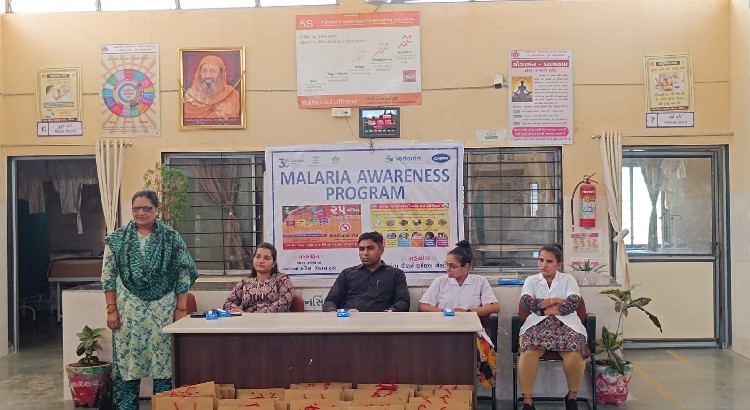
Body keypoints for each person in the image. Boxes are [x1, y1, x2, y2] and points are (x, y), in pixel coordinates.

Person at [102, 190, 198, 410]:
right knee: (127, 364)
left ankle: (162, 406)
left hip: (162, 313)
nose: (141, 213)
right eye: (136, 208)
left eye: (147, 208)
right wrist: (111, 309)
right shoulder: (117, 239)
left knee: (163, 365)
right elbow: (108, 276)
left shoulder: (171, 237)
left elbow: (183, 272)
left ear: (157, 209)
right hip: (129, 314)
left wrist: (181, 309)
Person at [517, 243, 588, 410]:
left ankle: (571, 398)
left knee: (575, 353)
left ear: (558, 264)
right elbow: (527, 303)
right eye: (541, 260)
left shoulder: (568, 279)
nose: (543, 265)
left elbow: (573, 303)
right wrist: (554, 300)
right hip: (537, 325)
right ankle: (528, 402)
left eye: (549, 261)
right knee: (528, 352)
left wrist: (544, 309)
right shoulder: (531, 280)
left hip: (566, 324)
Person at [322, 231, 410, 312]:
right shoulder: (347, 274)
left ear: (381, 250)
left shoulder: (396, 274)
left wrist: (391, 311)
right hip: (350, 320)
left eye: (370, 248)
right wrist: (332, 312)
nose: (365, 253)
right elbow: (330, 301)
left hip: (382, 320)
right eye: (361, 249)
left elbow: (404, 302)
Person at [418, 240, 499, 317]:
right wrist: (446, 312)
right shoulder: (440, 281)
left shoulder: (480, 281)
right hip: (444, 324)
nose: (448, 269)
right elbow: (423, 306)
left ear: (466, 266)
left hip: (470, 323)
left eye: (453, 266)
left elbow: (494, 307)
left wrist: (467, 312)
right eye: (447, 264)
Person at [223, 242, 295, 313]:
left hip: (274, 319)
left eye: (266, 258)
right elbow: (228, 303)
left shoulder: (282, 279)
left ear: (274, 263)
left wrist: (263, 313)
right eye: (258, 257)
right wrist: (241, 313)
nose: (260, 261)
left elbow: (284, 301)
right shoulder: (245, 281)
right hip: (248, 319)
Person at [184, 55, 240, 120]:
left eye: (213, 71)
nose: (208, 76)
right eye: (204, 71)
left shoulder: (233, 95)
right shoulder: (191, 96)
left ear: (220, 74)